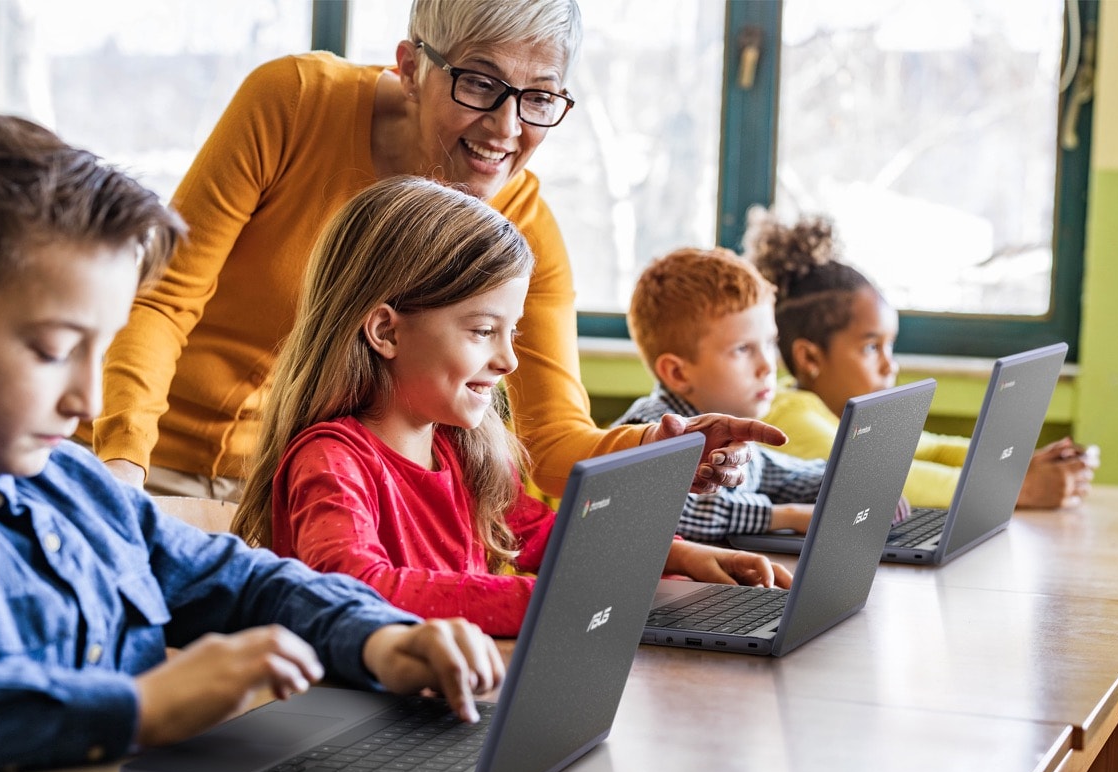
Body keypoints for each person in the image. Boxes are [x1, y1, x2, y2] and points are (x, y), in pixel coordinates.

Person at [0, 111, 504, 772]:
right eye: (53, 351)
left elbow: (242, 581)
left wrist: (379, 640)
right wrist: (133, 710)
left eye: (101, 352)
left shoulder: (73, 482)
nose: (90, 402)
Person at [85, 0, 784, 505]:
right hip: (147, 466)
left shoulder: (524, 229)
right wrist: (121, 466)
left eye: (539, 98)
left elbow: (552, 439)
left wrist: (663, 450)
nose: (507, 127)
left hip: (294, 497)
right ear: (411, 65)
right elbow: (162, 299)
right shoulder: (292, 102)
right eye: (479, 83)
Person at [231, 177, 791, 637]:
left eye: (512, 333)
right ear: (385, 330)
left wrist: (682, 556)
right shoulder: (333, 460)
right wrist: (542, 601)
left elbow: (545, 536)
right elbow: (354, 585)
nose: (507, 361)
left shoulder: (458, 449)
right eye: (481, 330)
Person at [743, 209, 1097, 510]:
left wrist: (1016, 463)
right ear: (809, 357)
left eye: (890, 347)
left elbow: (934, 450)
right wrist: (1020, 487)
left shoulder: (842, 413)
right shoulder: (790, 418)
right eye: (871, 348)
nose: (889, 366)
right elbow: (875, 483)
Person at [614, 247, 825, 541]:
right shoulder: (646, 428)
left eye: (769, 343)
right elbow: (677, 511)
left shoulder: (734, 434)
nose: (768, 366)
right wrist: (786, 516)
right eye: (742, 349)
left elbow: (785, 475)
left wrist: (846, 485)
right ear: (677, 373)